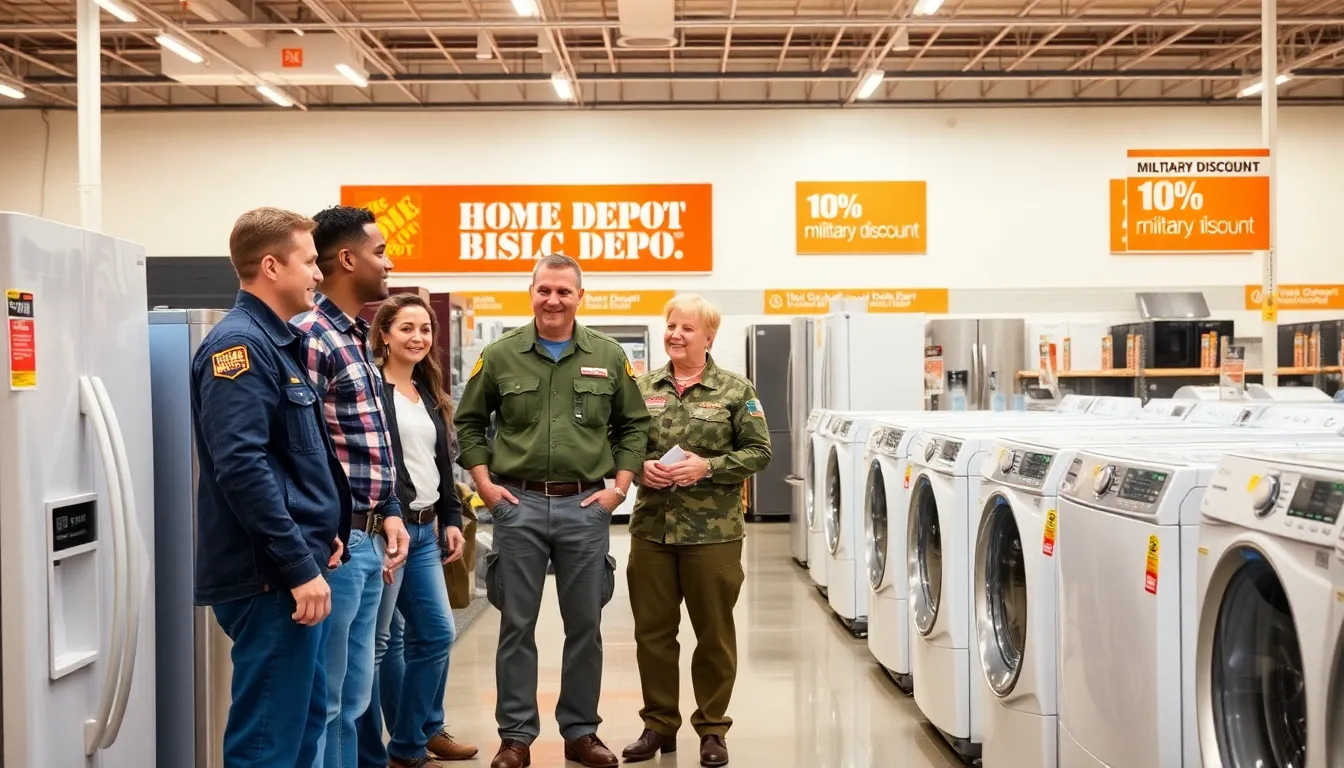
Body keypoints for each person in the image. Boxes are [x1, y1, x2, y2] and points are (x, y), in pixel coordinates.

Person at [454, 253, 652, 768]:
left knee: (584, 626)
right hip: (517, 506)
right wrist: (485, 487)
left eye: (564, 291)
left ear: (579, 297)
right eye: (545, 289)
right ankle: (516, 737)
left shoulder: (608, 357)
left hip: (584, 506)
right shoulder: (500, 356)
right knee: (515, 625)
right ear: (532, 292)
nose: (554, 300)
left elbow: (634, 426)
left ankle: (581, 733)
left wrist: (619, 489)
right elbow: (469, 423)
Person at [190, 207, 351, 768]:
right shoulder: (238, 348)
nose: (317, 275)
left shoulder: (274, 342)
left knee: (300, 723)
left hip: (291, 565)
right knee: (268, 742)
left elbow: (292, 460)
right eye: (309, 262)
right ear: (270, 266)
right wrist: (297, 565)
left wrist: (324, 533)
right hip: (269, 579)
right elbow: (242, 467)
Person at [620, 294, 772, 768]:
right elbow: (618, 447)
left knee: (714, 635)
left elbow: (760, 452)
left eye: (687, 328)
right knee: (653, 634)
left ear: (709, 336)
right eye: (671, 326)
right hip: (651, 530)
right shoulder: (641, 387)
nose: (676, 335)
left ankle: (711, 729)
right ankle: (659, 725)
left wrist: (708, 467)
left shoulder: (734, 389)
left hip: (715, 535)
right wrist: (640, 468)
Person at [293, 205, 411, 768]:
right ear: (346, 258)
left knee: (353, 696)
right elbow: (299, 450)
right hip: (337, 551)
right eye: (380, 252)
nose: (388, 264)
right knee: (327, 699)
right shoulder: (311, 336)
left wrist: (389, 508)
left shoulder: (355, 336)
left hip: (370, 541)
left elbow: (368, 439)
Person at [356, 293, 478, 767]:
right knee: (382, 642)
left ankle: (409, 741)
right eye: (407, 328)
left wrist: (451, 516)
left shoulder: (426, 390)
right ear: (383, 333)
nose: (418, 337)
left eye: (425, 329)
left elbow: (439, 461)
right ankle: (376, 750)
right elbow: (381, 466)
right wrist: (391, 522)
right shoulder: (372, 388)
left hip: (427, 531)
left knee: (432, 634)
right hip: (391, 530)